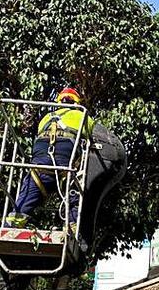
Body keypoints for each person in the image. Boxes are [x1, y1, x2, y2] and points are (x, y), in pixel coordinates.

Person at [6, 87, 95, 229]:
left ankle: (10, 226)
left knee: (25, 198)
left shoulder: (46, 118)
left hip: (39, 167)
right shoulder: (83, 116)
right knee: (74, 193)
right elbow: (96, 138)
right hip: (66, 166)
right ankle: (72, 227)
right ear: (77, 103)